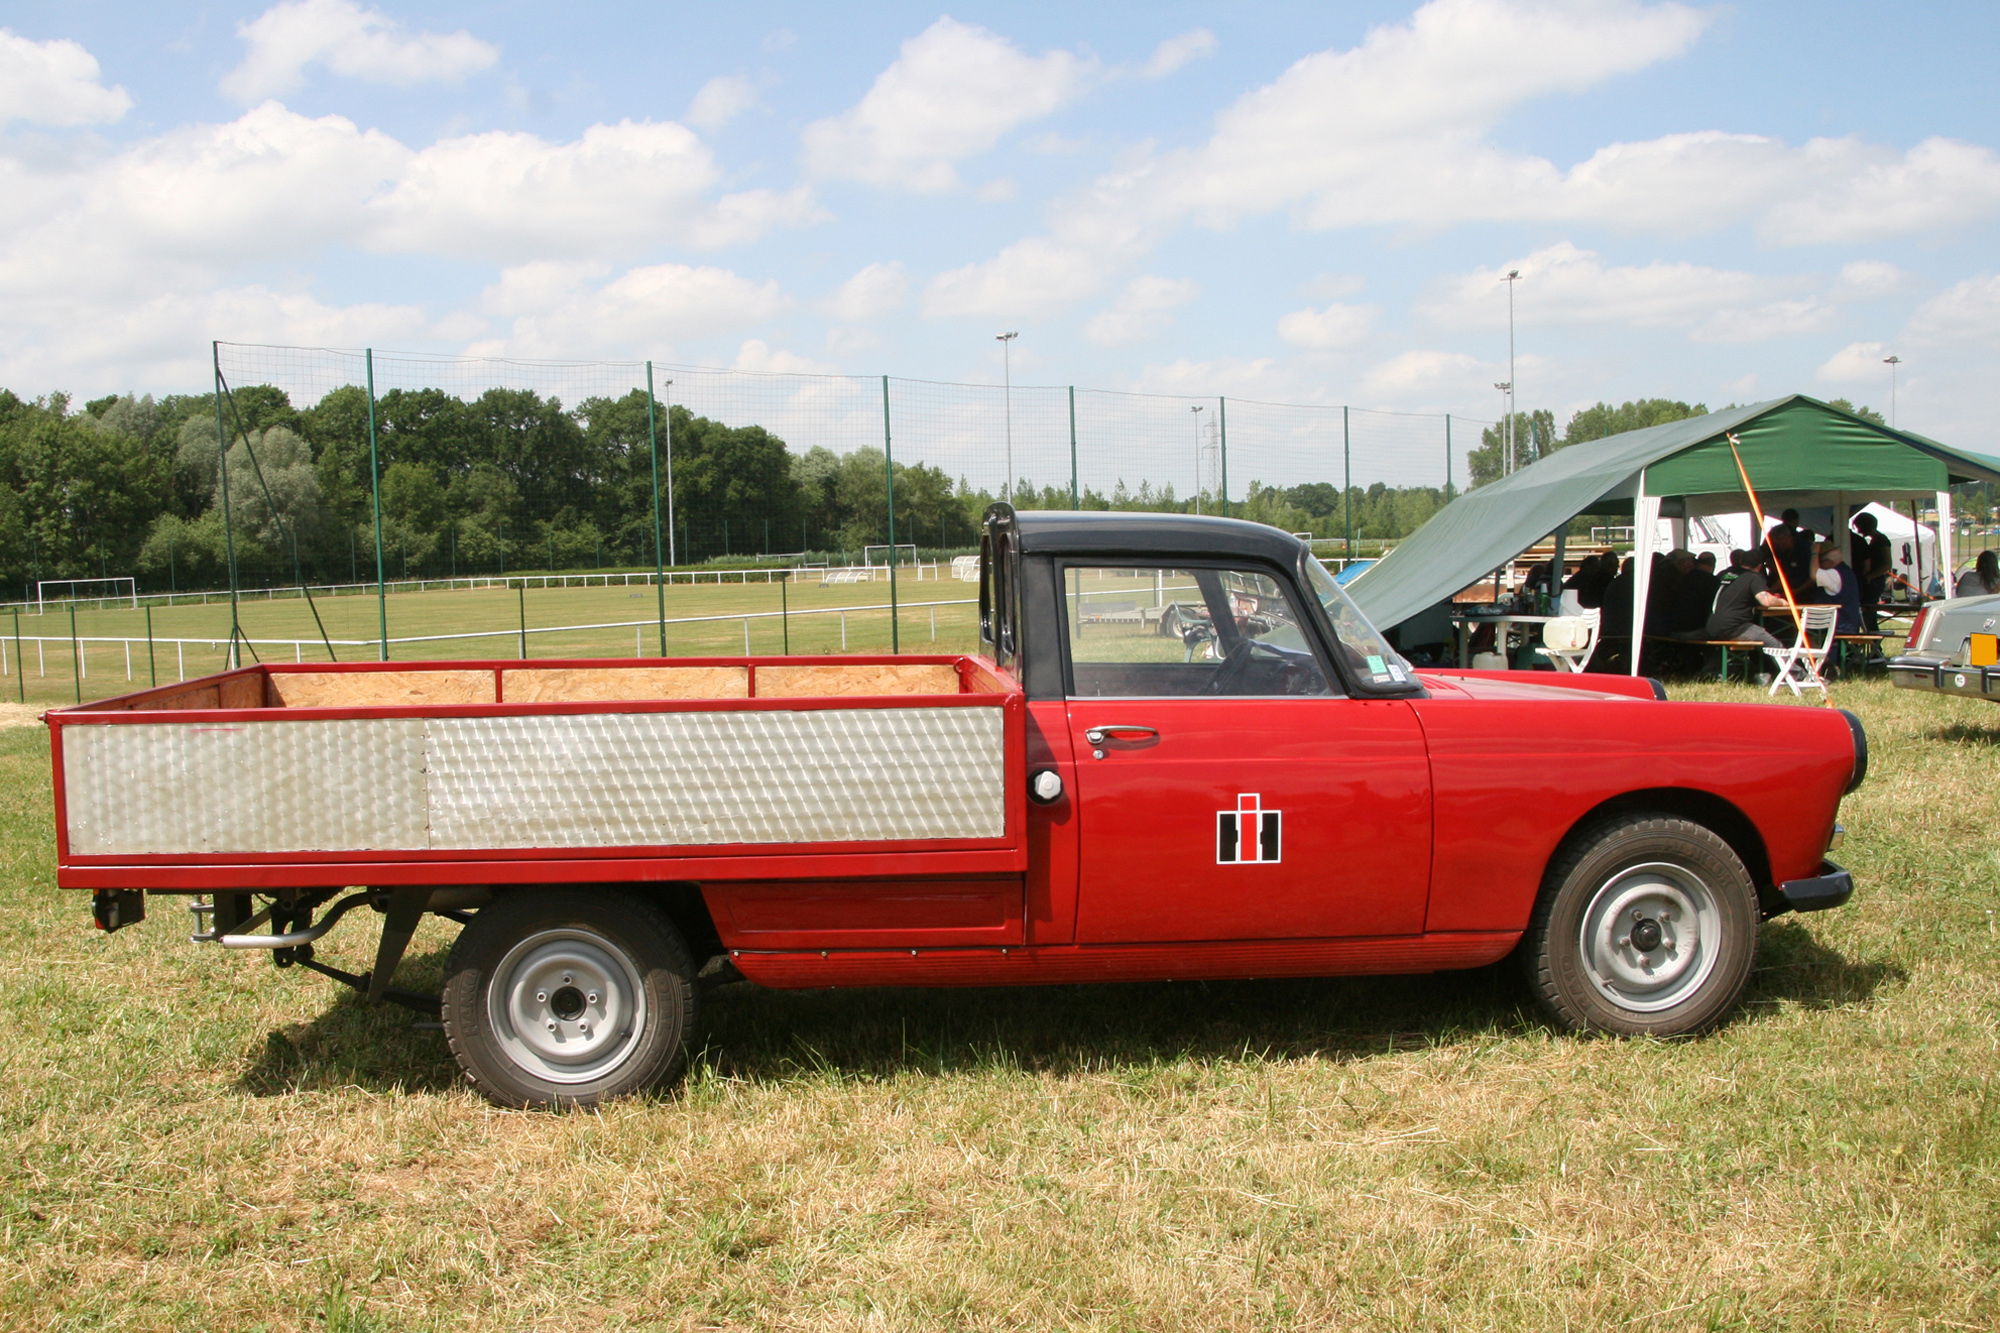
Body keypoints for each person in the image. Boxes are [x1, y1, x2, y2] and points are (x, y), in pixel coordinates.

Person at [1707, 548, 1786, 678]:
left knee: (1753, 639)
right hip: (1734, 626)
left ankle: (1710, 671)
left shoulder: (1727, 574)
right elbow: (1765, 600)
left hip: (1712, 624)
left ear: (1741, 561)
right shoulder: (1753, 577)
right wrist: (1782, 602)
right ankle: (1797, 675)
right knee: (1774, 644)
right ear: (1760, 566)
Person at [1850, 512, 1893, 632]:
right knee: (1866, 615)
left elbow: (1887, 564)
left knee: (1868, 614)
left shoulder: (1881, 541)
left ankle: (1874, 644)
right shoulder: (1876, 540)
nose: (1858, 531)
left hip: (1875, 582)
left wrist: (1870, 576)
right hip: (1872, 580)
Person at [1811, 540, 1863, 635]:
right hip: (1846, 626)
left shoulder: (1834, 574)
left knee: (1806, 633)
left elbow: (1814, 574)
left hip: (1839, 628)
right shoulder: (1845, 571)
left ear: (1826, 562)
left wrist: (1814, 554)